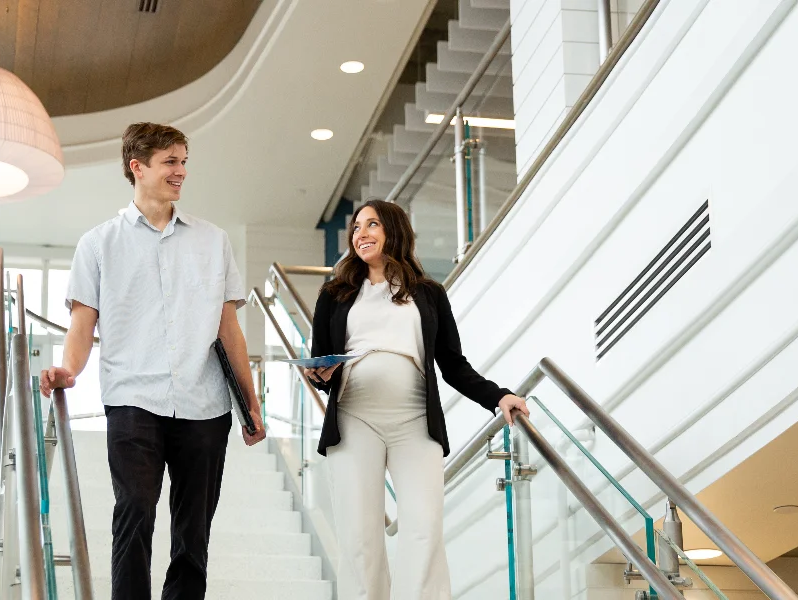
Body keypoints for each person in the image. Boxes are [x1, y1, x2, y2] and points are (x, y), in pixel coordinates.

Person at [39, 122, 266, 600]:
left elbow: (229, 330)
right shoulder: (98, 244)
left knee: (193, 531)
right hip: (132, 398)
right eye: (170, 161)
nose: (181, 171)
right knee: (135, 511)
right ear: (136, 167)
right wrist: (71, 371)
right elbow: (83, 324)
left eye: (184, 161)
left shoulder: (213, 241)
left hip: (205, 404)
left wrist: (250, 401)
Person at [303, 199, 528, 600]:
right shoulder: (334, 295)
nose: (361, 234)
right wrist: (319, 375)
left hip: (414, 423)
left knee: (424, 530)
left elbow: (453, 364)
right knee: (359, 536)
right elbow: (323, 365)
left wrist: (499, 396)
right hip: (354, 420)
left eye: (371, 225)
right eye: (356, 228)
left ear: (394, 230)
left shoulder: (428, 294)